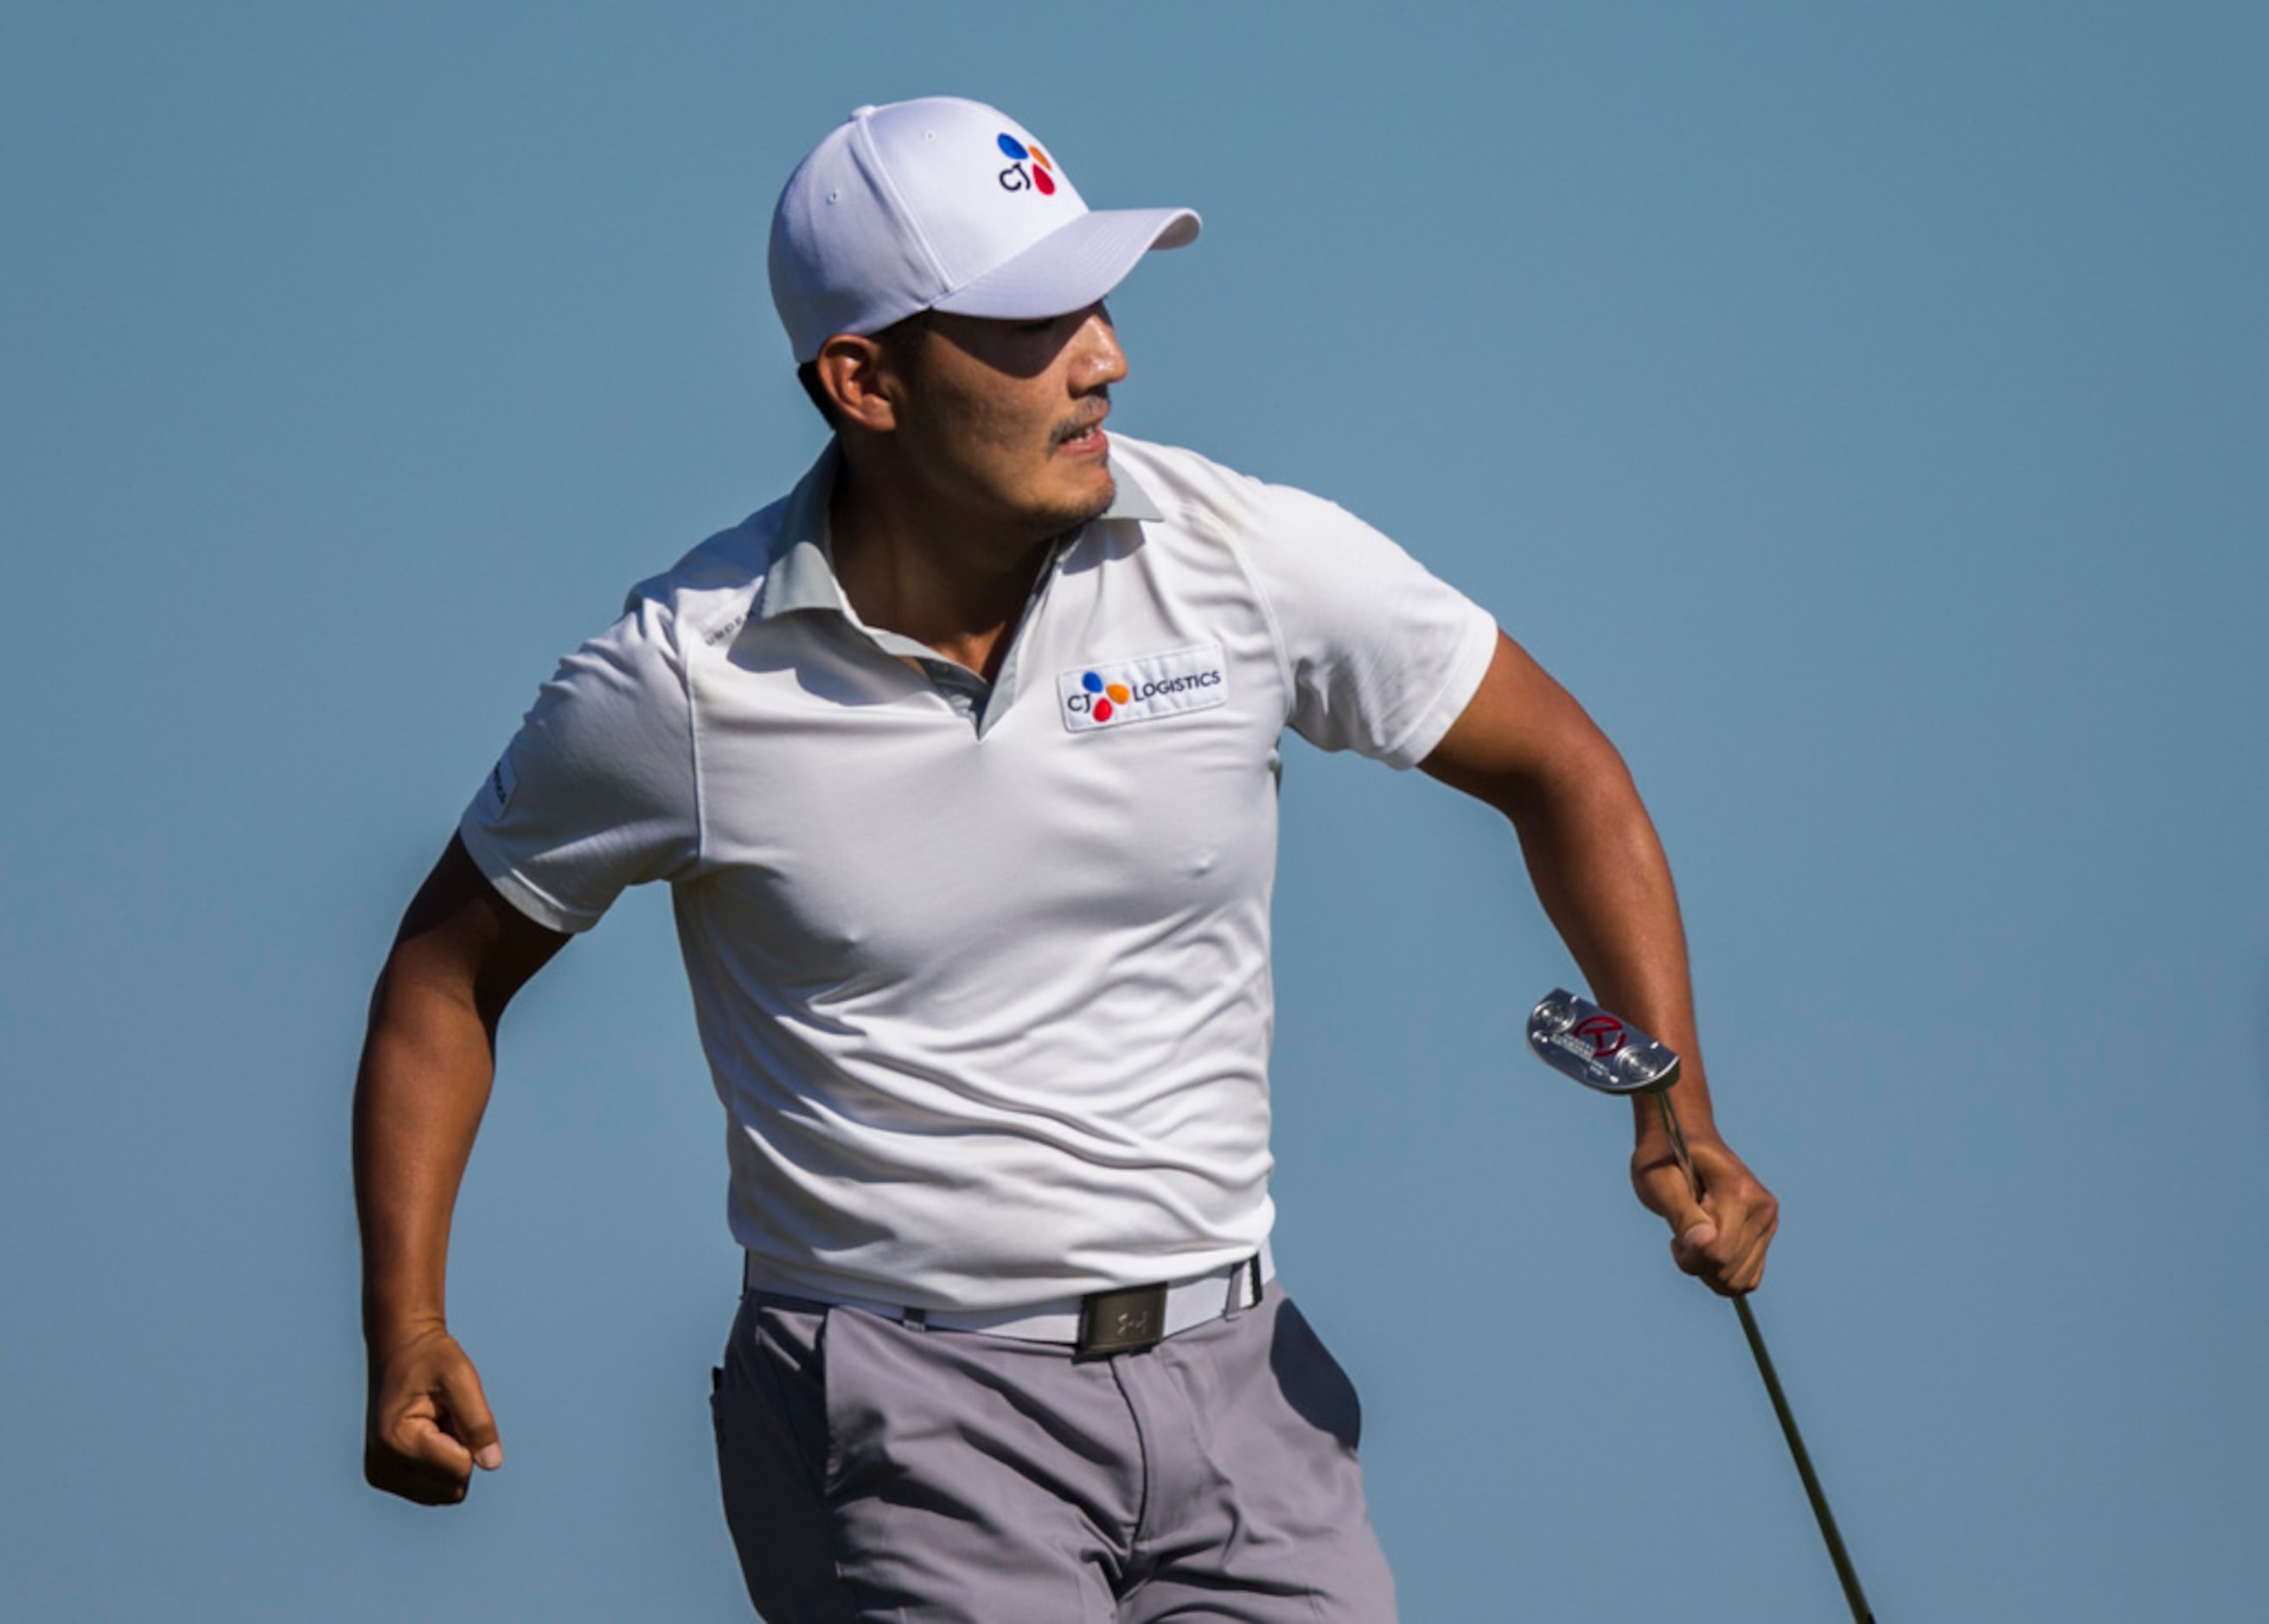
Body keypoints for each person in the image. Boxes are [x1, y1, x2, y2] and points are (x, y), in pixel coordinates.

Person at [355, 96, 1779, 1621]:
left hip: (1250, 1398)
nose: (1106, 355)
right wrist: (408, 1321)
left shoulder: (1239, 555)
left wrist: (1673, 1106)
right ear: (866, 380)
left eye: (1098, 301)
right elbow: (442, 979)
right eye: (1035, 320)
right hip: (902, 1417)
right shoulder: (684, 677)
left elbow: (1563, 768)